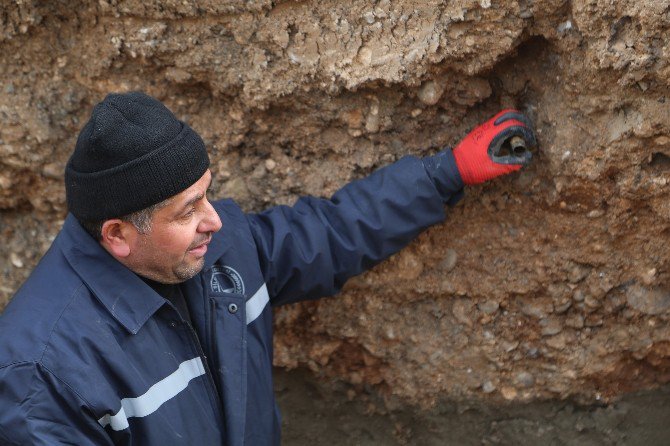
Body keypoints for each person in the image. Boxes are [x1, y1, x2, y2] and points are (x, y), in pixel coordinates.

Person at [0, 92, 535, 445]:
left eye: (207, 194)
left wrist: (447, 173)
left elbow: (331, 234)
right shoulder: (42, 374)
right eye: (188, 211)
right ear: (118, 234)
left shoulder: (218, 252)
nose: (215, 220)